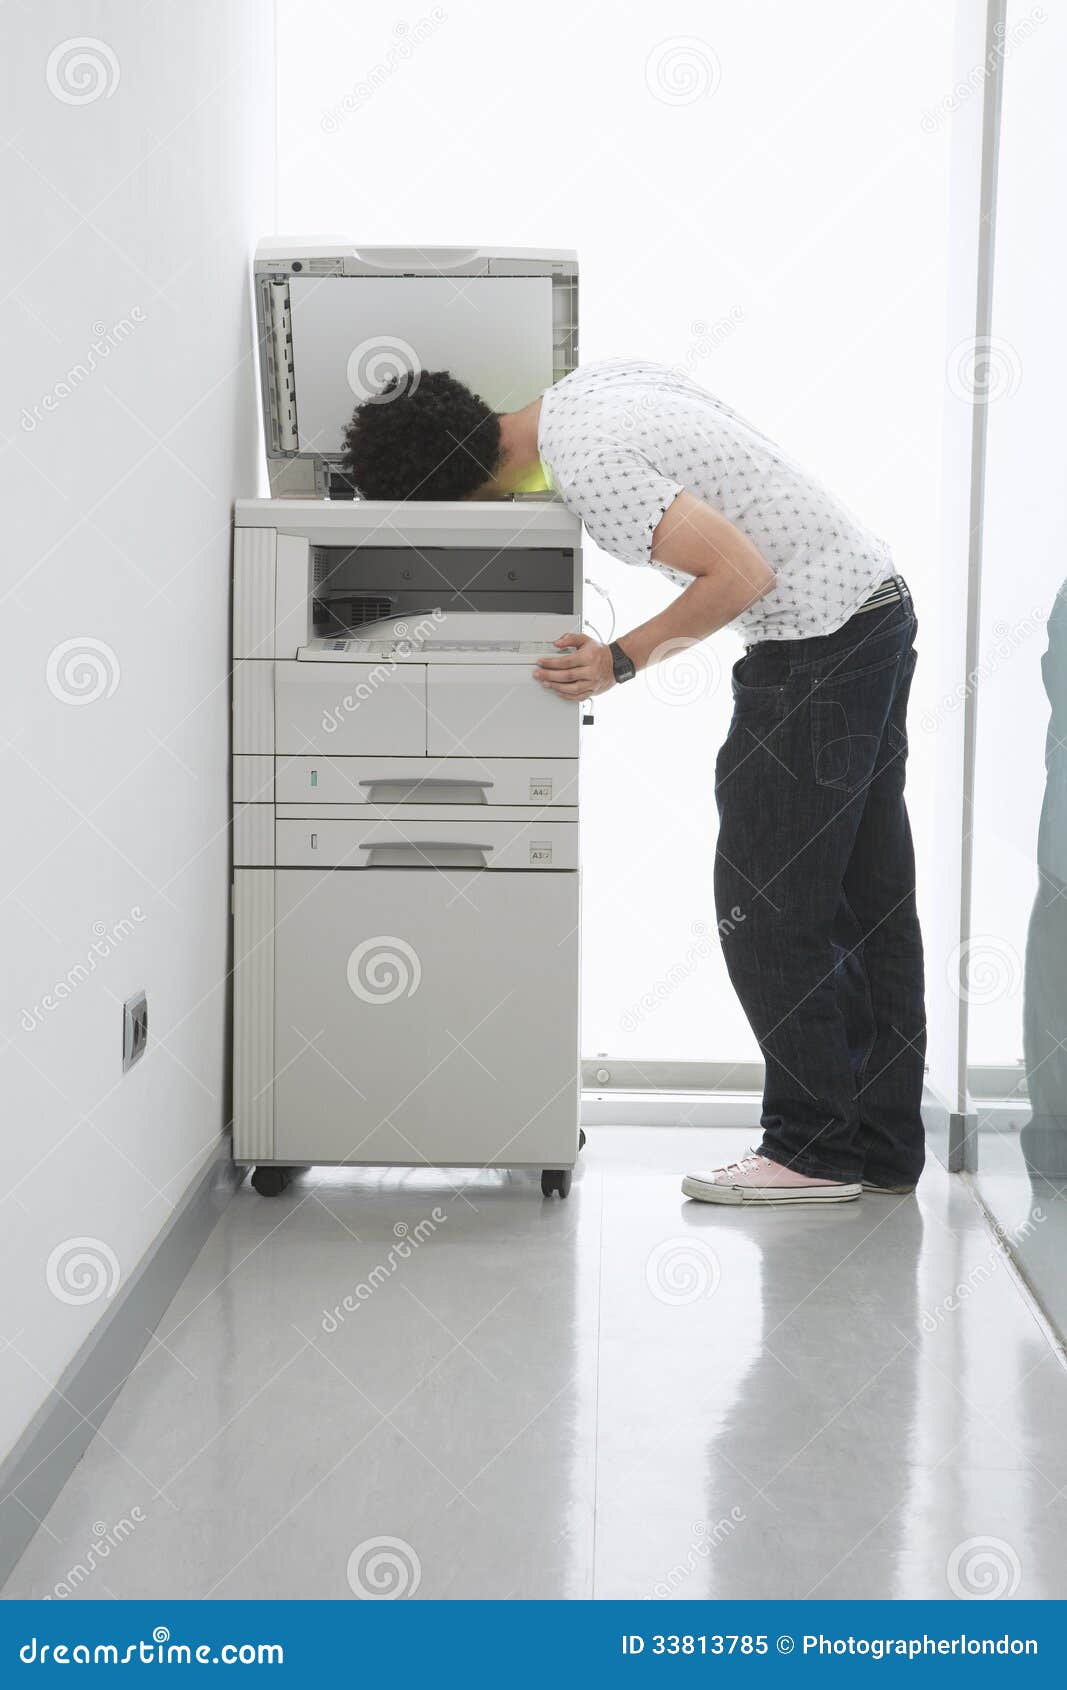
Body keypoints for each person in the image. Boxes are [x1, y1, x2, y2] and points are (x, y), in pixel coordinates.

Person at [342, 360, 926, 1206]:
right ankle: (879, 1147)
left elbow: (741, 573)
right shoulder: (589, 389)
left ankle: (810, 1150)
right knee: (863, 902)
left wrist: (615, 662)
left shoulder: (587, 467)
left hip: (818, 646)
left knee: (765, 902)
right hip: (871, 608)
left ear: (464, 492)